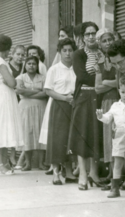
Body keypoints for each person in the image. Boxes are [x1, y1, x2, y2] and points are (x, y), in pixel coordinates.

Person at [67, 21, 104, 190]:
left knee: (96, 135)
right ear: (82, 37)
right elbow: (82, 76)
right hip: (84, 97)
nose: (91, 36)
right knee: (83, 135)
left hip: (100, 97)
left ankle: (94, 173)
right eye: (87, 34)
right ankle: (82, 173)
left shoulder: (103, 52)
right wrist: (100, 76)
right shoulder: (78, 54)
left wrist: (101, 77)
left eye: (93, 33)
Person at [96, 76, 125, 199]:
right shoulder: (115, 105)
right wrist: (101, 116)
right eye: (123, 92)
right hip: (118, 136)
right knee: (117, 163)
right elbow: (108, 118)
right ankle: (114, 189)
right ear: (119, 91)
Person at [44, 38, 78, 185]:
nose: (68, 53)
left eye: (70, 50)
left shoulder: (77, 67)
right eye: (64, 50)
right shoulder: (54, 69)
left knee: (71, 138)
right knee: (58, 139)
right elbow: (48, 90)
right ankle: (56, 172)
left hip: (75, 106)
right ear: (59, 52)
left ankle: (69, 172)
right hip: (59, 106)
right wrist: (65, 99)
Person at [0, 35, 23, 175]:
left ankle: (3, 162)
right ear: (5, 48)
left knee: (3, 129)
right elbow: (12, 82)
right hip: (3, 96)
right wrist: (13, 81)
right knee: (1, 129)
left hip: (3, 95)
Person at [94, 28, 119, 186]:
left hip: (120, 101)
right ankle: (112, 174)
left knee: (119, 137)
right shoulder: (100, 63)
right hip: (106, 103)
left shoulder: (119, 58)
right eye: (104, 40)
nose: (108, 42)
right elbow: (97, 88)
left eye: (110, 39)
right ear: (100, 44)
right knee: (109, 139)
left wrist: (105, 83)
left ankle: (119, 175)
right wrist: (111, 84)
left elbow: (121, 82)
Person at [15, 56, 48, 171]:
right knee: (27, 133)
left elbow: (46, 93)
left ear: (37, 65)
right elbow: (19, 90)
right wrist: (37, 91)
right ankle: (28, 163)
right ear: (25, 65)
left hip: (41, 107)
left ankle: (41, 163)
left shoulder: (43, 77)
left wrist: (27, 92)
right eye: (29, 63)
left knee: (41, 133)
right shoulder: (20, 77)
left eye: (34, 64)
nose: (31, 66)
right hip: (25, 108)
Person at [7, 45, 25, 168]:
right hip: (9, 98)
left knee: (18, 127)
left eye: (23, 55)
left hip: (22, 99)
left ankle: (15, 157)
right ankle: (8, 156)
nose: (20, 57)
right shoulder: (6, 66)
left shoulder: (25, 66)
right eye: (18, 54)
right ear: (12, 54)